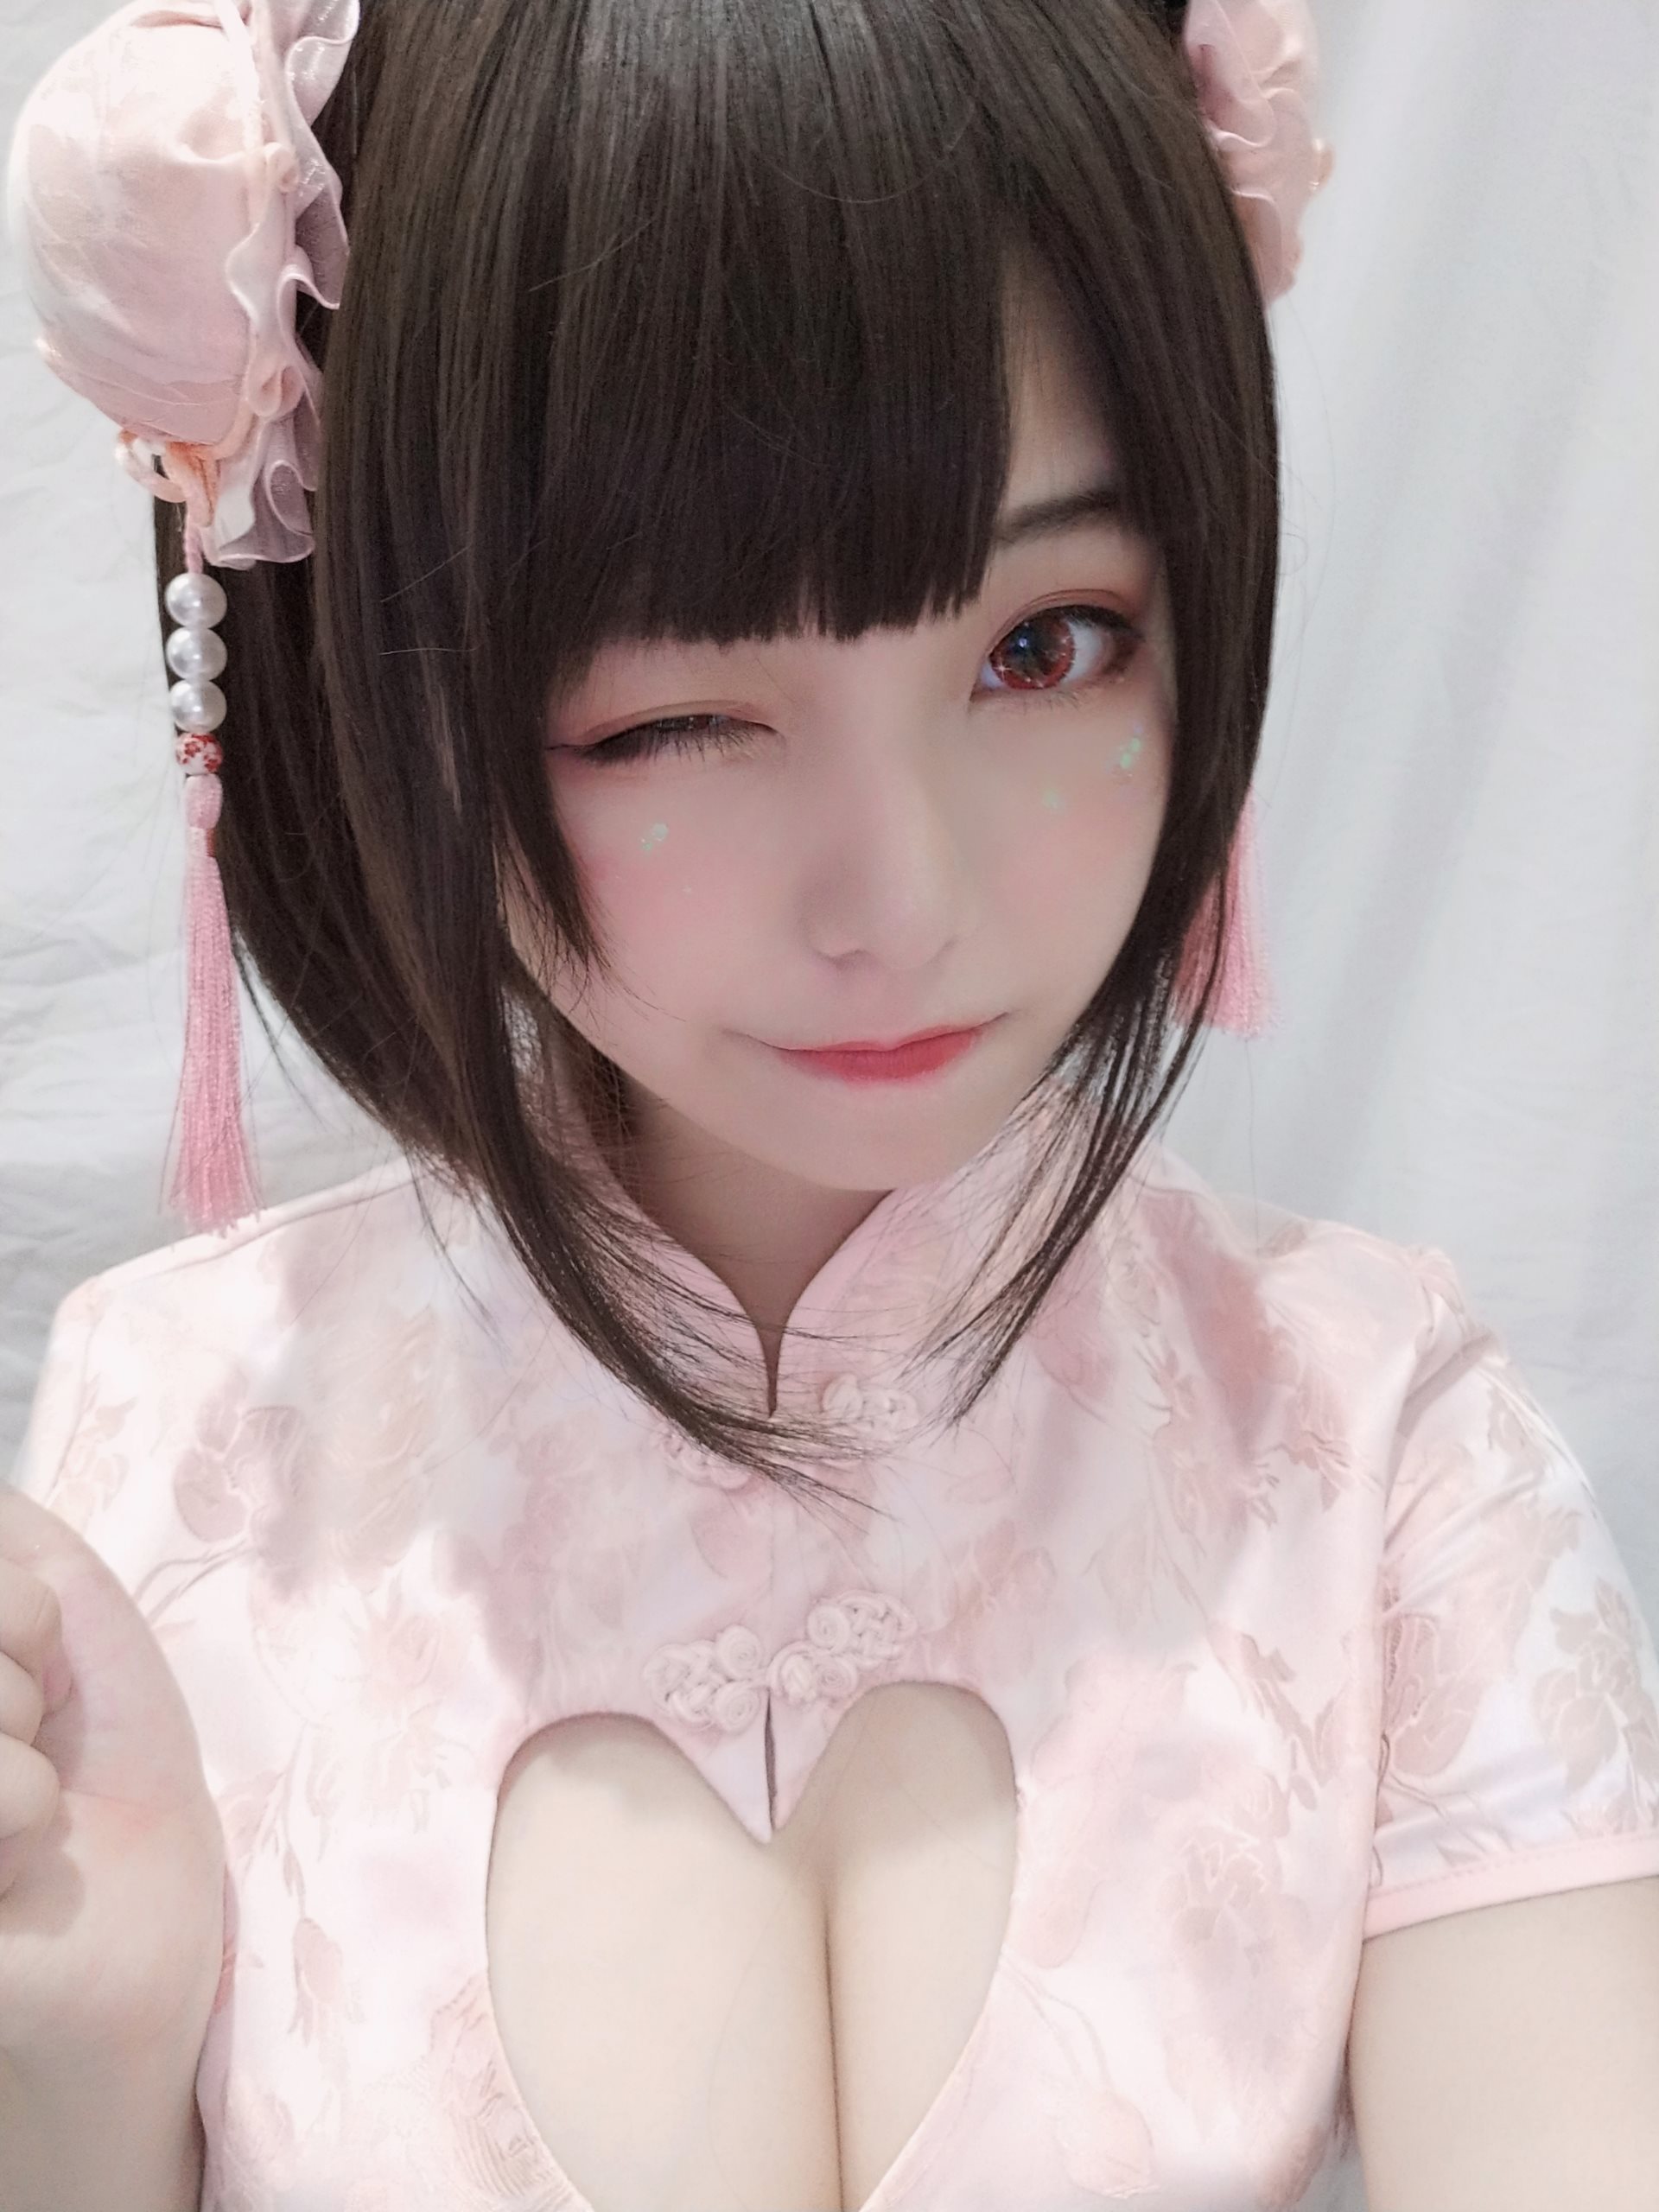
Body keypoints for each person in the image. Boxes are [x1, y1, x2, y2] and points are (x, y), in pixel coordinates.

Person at [4, 3, 1659, 2209]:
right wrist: (75, 2070)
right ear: (390, 684)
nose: (907, 898)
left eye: (1046, 644)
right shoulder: (181, 1445)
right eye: (677, 715)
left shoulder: (1374, 1454)